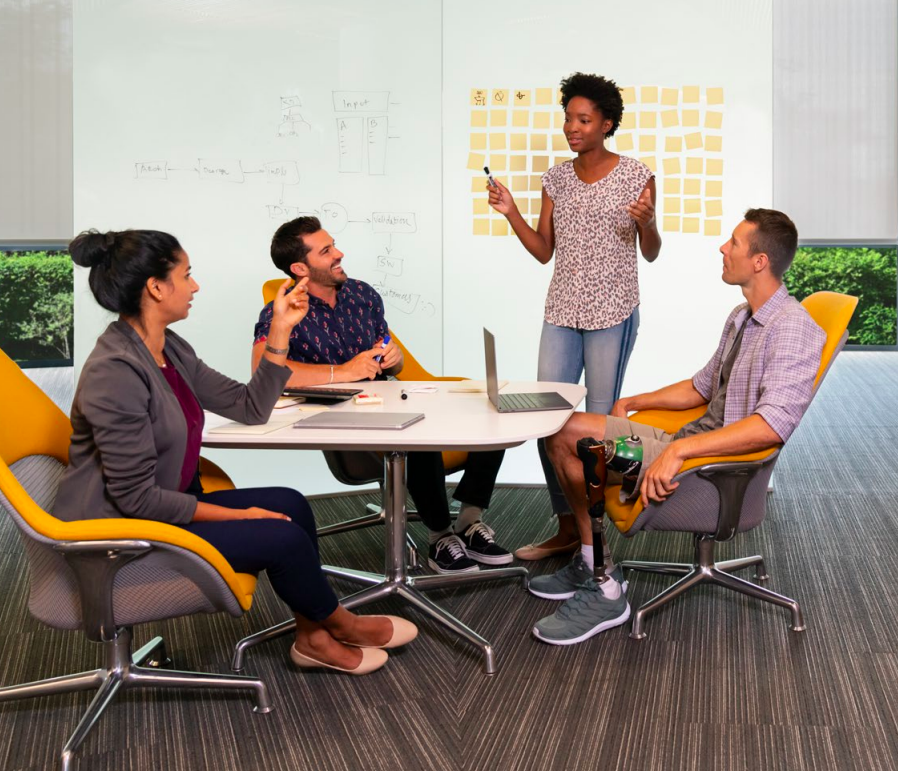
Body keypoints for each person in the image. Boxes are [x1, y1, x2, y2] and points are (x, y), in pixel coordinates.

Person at [54, 228, 418, 675]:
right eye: (187, 275)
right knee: (279, 535)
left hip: (163, 505)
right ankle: (342, 623)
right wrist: (240, 516)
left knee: (291, 504)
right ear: (155, 287)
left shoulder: (169, 349)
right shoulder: (116, 371)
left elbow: (251, 406)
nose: (195, 286)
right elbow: (135, 499)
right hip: (119, 533)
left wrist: (281, 330)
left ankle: (313, 638)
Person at [530, 209, 826, 646]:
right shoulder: (743, 317)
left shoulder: (792, 329)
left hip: (706, 466)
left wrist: (680, 453)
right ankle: (593, 558)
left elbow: (771, 427)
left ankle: (605, 586)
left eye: (735, 244)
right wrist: (636, 400)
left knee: (578, 446)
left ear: (759, 261)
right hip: (684, 441)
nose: (723, 249)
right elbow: (701, 386)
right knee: (563, 428)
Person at [252, 216, 511, 574]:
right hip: (342, 423)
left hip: (386, 399)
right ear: (300, 267)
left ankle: (468, 521)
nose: (339, 254)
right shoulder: (283, 310)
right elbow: (263, 373)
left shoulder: (362, 294)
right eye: (326, 251)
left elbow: (386, 347)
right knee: (416, 431)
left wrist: (395, 357)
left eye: (334, 244)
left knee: (489, 411)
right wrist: (343, 373)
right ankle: (440, 536)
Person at [488, 72, 661, 562]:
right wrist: (511, 212)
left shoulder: (636, 175)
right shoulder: (556, 179)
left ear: (607, 124)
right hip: (562, 310)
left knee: (596, 427)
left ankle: (599, 536)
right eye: (568, 118)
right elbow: (544, 251)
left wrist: (647, 224)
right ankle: (569, 527)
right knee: (548, 421)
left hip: (612, 310)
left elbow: (650, 252)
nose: (572, 127)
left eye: (583, 119)